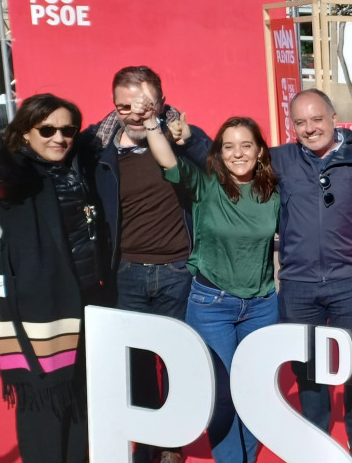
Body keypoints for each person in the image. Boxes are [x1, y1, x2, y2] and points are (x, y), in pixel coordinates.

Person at [0, 91, 108, 463]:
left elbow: (113, 125)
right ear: (25, 133)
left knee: (79, 398)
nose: (59, 137)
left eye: (68, 129)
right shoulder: (22, 171)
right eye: (47, 129)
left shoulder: (77, 165)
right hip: (43, 305)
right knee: (46, 402)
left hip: (89, 300)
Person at [79, 66, 211, 463]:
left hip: (178, 271)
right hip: (125, 273)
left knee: (177, 360)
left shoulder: (186, 135)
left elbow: (216, 168)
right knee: (135, 367)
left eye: (144, 106)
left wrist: (186, 143)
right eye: (124, 106)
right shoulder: (95, 145)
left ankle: (172, 442)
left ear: (161, 100)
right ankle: (146, 439)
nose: (134, 115)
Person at [144, 114, 280, 463]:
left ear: (260, 151)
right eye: (229, 147)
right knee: (221, 393)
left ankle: (245, 457)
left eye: (246, 145)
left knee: (254, 391)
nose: (237, 154)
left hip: (262, 305)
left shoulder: (273, 191)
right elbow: (167, 158)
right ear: (219, 153)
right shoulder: (206, 184)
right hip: (211, 304)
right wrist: (150, 124)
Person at [271, 83, 352, 461]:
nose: (309, 128)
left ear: (333, 118)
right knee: (309, 373)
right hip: (298, 285)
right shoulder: (280, 160)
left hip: (349, 280)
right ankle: (317, 445)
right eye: (300, 122)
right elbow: (223, 162)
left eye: (317, 119)